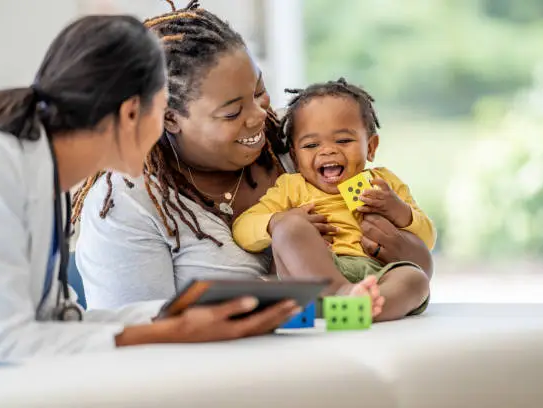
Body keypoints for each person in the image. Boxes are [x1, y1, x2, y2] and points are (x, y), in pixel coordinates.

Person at [73, 1, 432, 321]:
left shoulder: (302, 146)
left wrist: (401, 243)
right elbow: (135, 337)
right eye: (232, 112)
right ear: (170, 118)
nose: (259, 116)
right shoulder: (127, 205)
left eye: (259, 92)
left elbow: (419, 264)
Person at [0, 14, 300, 362]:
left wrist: (182, 316)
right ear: (131, 113)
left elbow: (59, 323)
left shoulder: (48, 179)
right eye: (162, 111)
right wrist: (174, 332)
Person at [233, 78, 436, 321]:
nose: (327, 150)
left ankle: (364, 309)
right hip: (319, 272)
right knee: (289, 228)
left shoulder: (382, 183)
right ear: (296, 157)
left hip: (378, 275)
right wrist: (276, 222)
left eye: (343, 141)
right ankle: (340, 295)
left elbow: (427, 238)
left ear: (370, 147)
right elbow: (243, 229)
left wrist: (399, 211)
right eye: (311, 144)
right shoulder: (293, 187)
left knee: (415, 278)